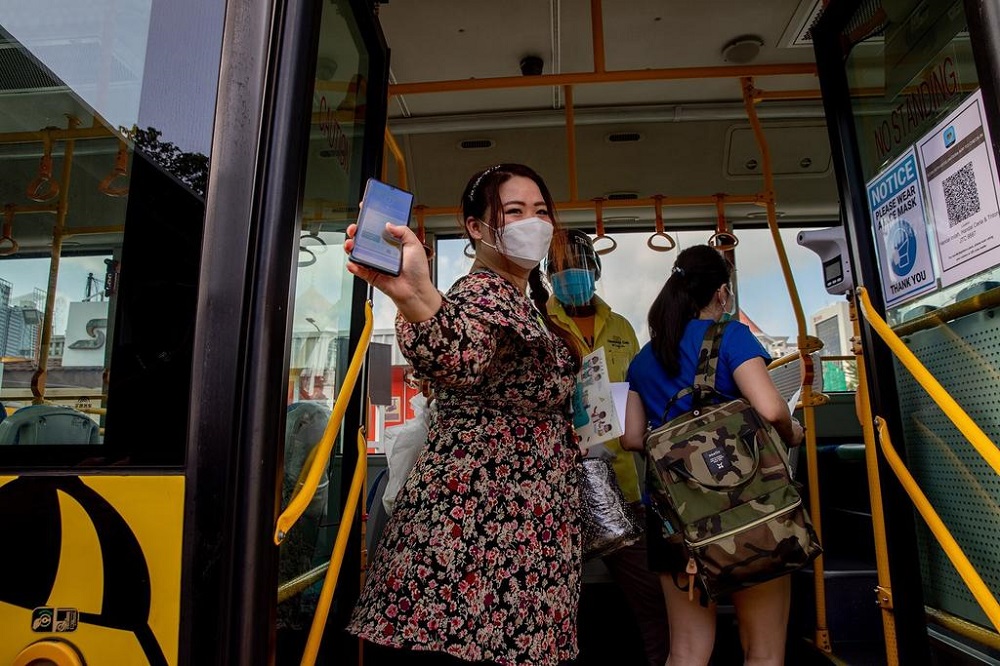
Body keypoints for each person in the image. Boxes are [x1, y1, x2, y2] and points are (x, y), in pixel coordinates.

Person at [344, 164, 584, 666]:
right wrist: (417, 298)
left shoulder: (525, 302)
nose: (533, 223)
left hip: (509, 542)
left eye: (541, 211)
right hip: (474, 548)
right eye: (514, 211)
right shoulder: (481, 294)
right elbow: (462, 352)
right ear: (476, 228)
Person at [621, 245, 804, 666]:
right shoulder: (731, 336)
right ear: (721, 293)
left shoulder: (644, 359)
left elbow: (633, 438)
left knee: (686, 651)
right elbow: (771, 408)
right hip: (750, 516)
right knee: (763, 649)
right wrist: (792, 432)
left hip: (675, 524)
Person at [544, 229, 669, 666]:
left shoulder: (619, 327)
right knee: (548, 602)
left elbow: (638, 393)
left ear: (595, 271)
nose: (570, 275)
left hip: (622, 480)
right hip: (552, 486)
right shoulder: (538, 319)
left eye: (577, 265)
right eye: (559, 268)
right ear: (549, 275)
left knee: (651, 599)